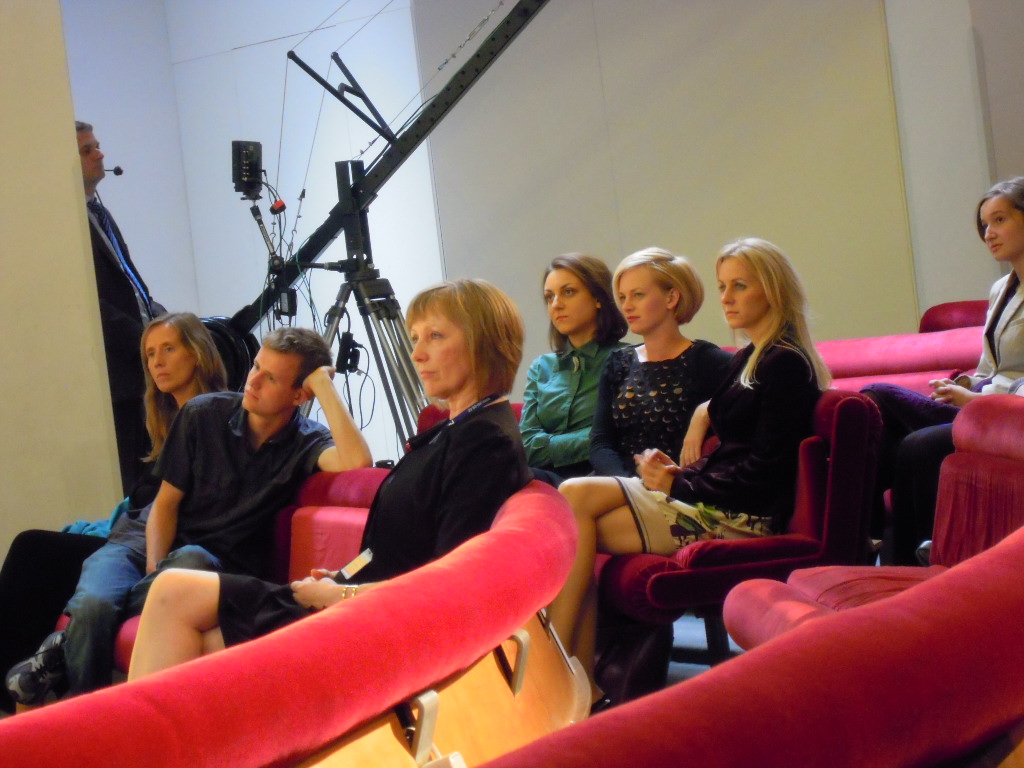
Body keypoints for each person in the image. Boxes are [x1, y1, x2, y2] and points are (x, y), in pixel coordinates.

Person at [127, 279, 531, 680]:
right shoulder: (455, 429)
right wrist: (341, 577)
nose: (417, 353)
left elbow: (451, 585)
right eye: (415, 337)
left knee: (180, 608)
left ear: (482, 342)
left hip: (373, 617)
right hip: (356, 596)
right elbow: (389, 551)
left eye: (435, 336)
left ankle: (133, 722)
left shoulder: (484, 441)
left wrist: (341, 594)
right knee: (173, 592)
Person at [5, 326, 372, 704]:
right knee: (93, 604)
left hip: (206, 563)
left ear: (299, 394)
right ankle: (88, 715)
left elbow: (357, 460)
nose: (253, 381)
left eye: (271, 378)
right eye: (256, 367)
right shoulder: (203, 413)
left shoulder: (307, 440)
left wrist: (323, 386)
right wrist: (155, 571)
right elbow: (164, 505)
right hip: (140, 542)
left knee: (191, 560)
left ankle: (68, 651)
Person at [548, 238, 829, 705]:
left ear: (772, 290)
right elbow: (733, 448)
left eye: (740, 286)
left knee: (575, 505)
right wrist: (691, 445)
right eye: (722, 287)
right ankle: (579, 680)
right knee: (573, 506)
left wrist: (681, 482)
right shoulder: (753, 357)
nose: (727, 298)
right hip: (715, 499)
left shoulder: (783, 363)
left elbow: (765, 472)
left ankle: (558, 670)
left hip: (741, 519)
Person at [0, 312, 225, 712]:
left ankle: (56, 657)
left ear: (197, 353)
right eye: (150, 354)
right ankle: (46, 691)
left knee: (34, 551)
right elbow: (141, 505)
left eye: (168, 349)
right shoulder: (165, 418)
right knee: (40, 554)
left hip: (169, 543)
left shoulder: (219, 416)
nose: (157, 362)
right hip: (129, 536)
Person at [863, 177, 1024, 565]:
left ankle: (898, 553)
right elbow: (991, 367)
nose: (988, 233)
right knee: (875, 404)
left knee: (912, 438)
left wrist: (977, 400)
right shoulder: (1001, 288)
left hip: (1006, 417)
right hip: (979, 407)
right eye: (984, 225)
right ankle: (878, 546)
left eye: (999, 220)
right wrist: (965, 383)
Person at [78, 120, 165, 496]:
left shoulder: (100, 213)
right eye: (87, 150)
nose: (100, 154)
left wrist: (163, 320)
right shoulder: (67, 222)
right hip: (119, 372)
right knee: (133, 480)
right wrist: (144, 338)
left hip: (141, 362)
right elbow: (89, 301)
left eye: (97, 146)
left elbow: (130, 281)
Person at [520, 253, 628, 485]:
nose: (556, 304)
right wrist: (595, 437)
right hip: (542, 481)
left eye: (568, 292)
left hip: (604, 478)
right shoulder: (541, 367)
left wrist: (549, 444)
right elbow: (527, 446)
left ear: (598, 298)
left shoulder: (628, 359)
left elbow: (624, 435)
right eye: (549, 297)